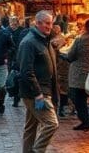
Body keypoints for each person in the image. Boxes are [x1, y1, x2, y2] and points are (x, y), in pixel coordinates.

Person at [17, 10, 59, 153]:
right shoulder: (29, 42)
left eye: (51, 23)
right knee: (51, 123)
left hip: (41, 90)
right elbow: (26, 71)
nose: (50, 26)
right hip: (37, 93)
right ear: (38, 23)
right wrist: (38, 93)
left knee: (31, 127)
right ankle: (37, 150)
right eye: (47, 23)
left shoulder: (43, 40)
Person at [66, 17, 89, 130]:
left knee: (78, 99)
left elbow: (70, 56)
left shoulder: (80, 39)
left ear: (85, 27)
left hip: (79, 74)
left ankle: (86, 121)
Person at [8, 15, 26, 107]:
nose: (13, 25)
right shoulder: (7, 31)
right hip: (10, 58)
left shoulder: (22, 31)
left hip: (19, 58)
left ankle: (17, 97)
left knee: (17, 77)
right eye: (11, 23)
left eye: (14, 23)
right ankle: (14, 94)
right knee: (12, 77)